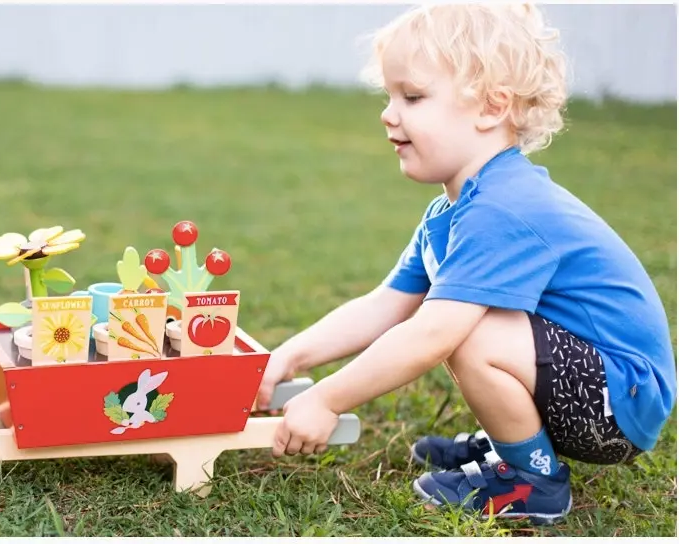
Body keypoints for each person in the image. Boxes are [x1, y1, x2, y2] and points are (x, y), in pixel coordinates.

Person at [255, 3, 676, 524]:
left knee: (465, 328)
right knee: (466, 320)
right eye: (389, 96)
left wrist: (327, 399)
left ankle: (535, 481)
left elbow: (429, 336)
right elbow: (384, 306)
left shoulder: (503, 208)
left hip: (619, 400)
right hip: (591, 384)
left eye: (412, 96)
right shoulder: (455, 211)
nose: (389, 113)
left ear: (491, 107)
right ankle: (512, 445)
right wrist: (287, 358)